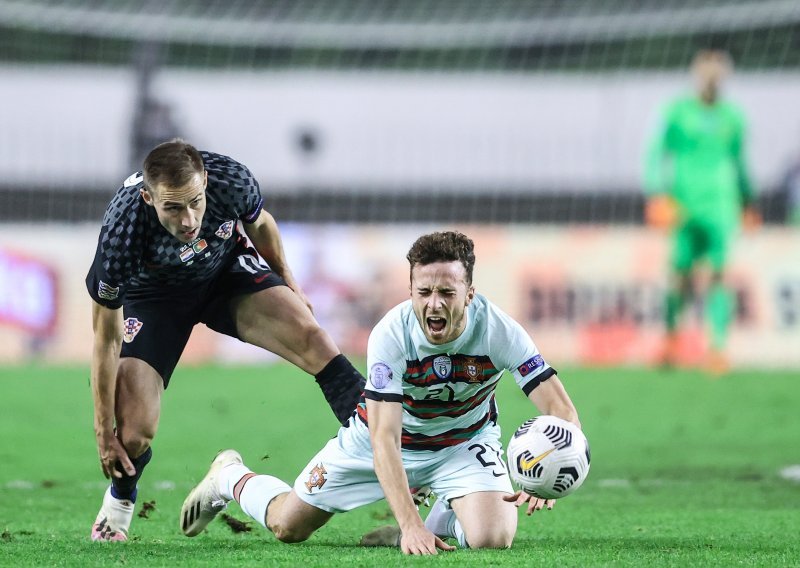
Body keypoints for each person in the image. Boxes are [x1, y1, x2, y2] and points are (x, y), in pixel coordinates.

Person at [180, 231, 581, 555]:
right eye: (423, 293)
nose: (434, 304)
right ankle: (229, 476)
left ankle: (442, 513)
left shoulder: (500, 331)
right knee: (288, 526)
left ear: (470, 294)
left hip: (464, 442)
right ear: (410, 291)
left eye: (447, 293)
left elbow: (560, 408)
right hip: (382, 442)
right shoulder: (391, 336)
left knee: (493, 539)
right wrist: (409, 527)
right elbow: (384, 439)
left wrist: (549, 467)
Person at [86, 139, 365, 541]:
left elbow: (261, 224)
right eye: (173, 207)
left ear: (206, 182)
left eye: (196, 202)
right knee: (133, 434)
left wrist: (288, 281)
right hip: (155, 300)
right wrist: (102, 432)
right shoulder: (121, 234)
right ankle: (119, 503)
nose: (188, 220)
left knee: (314, 339)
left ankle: (384, 445)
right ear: (148, 197)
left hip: (223, 273)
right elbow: (105, 341)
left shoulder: (231, 178)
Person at [643, 49, 760, 375]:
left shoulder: (733, 117)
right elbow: (654, 153)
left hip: (723, 206)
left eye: (717, 75)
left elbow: (740, 162)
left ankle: (717, 348)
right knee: (679, 274)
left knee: (719, 275)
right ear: (697, 76)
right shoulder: (676, 112)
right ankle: (670, 340)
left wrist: (749, 201)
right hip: (683, 206)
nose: (711, 80)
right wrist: (656, 194)